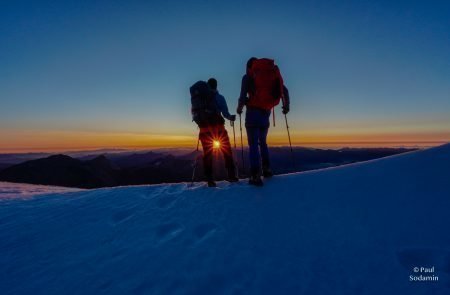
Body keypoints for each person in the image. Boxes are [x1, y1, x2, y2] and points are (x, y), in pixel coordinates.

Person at [237, 57, 290, 186]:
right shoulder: (269, 75)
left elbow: (243, 96)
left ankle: (255, 175)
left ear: (249, 67)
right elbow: (285, 90)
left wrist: (239, 109)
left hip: (252, 113)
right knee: (263, 143)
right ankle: (267, 169)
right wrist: (286, 106)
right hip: (266, 112)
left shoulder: (247, 77)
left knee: (253, 144)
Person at [192, 78, 238, 187]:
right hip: (219, 130)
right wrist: (231, 117)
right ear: (216, 86)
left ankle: (210, 179)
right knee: (227, 151)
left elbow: (195, 114)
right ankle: (231, 175)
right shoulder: (219, 98)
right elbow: (225, 114)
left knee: (207, 155)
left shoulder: (199, 99)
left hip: (204, 131)